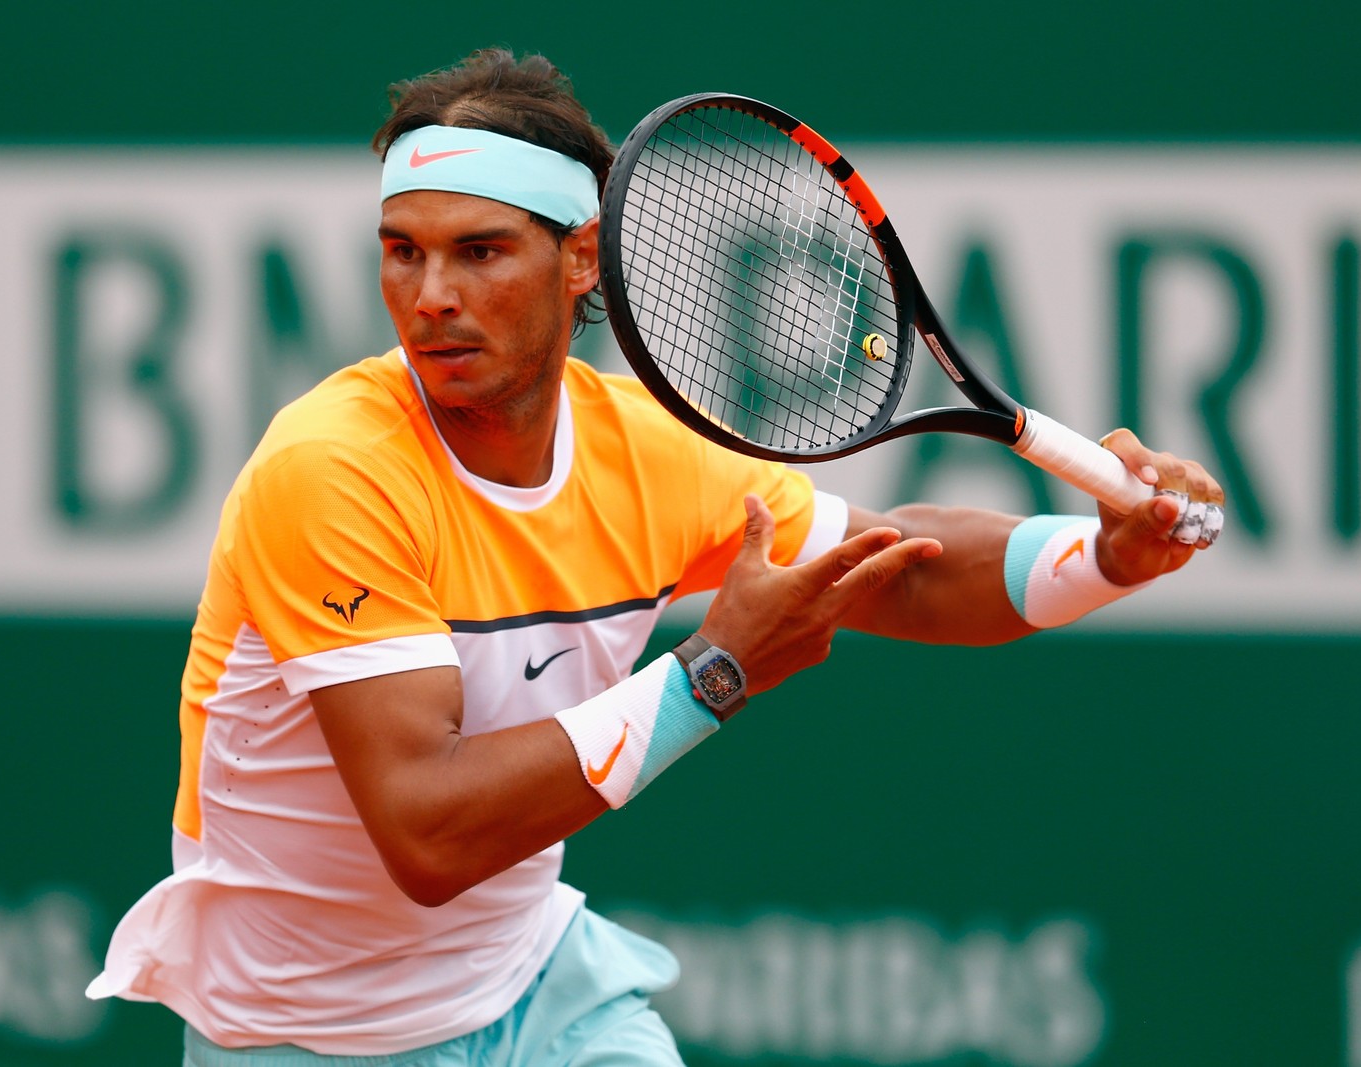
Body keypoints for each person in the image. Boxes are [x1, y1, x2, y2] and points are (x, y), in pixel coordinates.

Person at [87, 47, 1223, 1067]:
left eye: (479, 252)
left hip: (544, 997)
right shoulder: (332, 469)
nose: (430, 298)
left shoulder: (649, 448)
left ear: (581, 260)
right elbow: (427, 833)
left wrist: (1104, 552)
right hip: (306, 1034)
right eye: (404, 253)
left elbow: (901, 568)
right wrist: (707, 675)